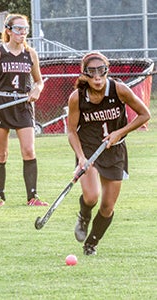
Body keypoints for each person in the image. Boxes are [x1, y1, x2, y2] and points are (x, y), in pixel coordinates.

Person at [67, 51, 150, 255]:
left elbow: (144, 115)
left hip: (114, 151)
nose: (97, 77)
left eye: (101, 71)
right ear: (84, 74)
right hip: (88, 149)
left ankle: (91, 243)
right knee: (92, 196)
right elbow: (71, 130)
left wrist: (119, 133)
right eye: (91, 72)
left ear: (107, 71)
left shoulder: (119, 89)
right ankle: (84, 216)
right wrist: (81, 158)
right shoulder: (77, 97)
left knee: (107, 206)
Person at [0, 13, 49, 207]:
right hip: (1, 105)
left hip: (23, 106)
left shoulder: (31, 54)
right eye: (18, 29)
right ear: (8, 31)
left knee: (29, 150)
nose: (22, 33)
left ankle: (32, 197)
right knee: (1, 153)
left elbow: (39, 81)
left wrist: (36, 90)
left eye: (25, 29)